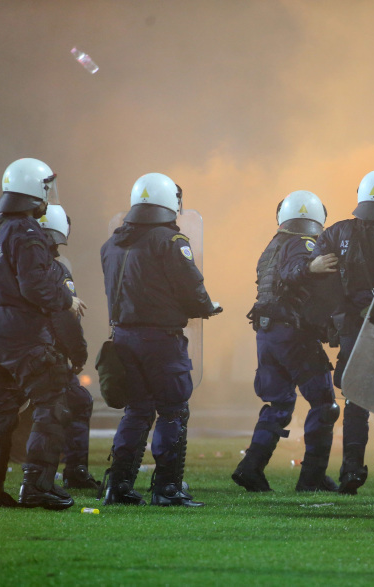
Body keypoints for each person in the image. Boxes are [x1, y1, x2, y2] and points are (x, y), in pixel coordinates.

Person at [0, 158, 86, 510]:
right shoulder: (28, 232)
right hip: (20, 331)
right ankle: (37, 487)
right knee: (54, 402)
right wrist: (67, 300)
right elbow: (36, 287)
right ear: (35, 190)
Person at [100, 173, 220, 507]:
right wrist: (207, 308)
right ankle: (167, 488)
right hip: (160, 340)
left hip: (123, 337)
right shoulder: (171, 242)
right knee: (172, 410)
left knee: (136, 411)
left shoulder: (112, 244)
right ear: (170, 204)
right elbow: (191, 287)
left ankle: (118, 486)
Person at [232, 190, 340, 493]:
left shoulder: (272, 245)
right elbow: (293, 272)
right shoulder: (302, 243)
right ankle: (312, 479)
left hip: (267, 334)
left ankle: (251, 467)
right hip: (292, 334)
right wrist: (310, 267)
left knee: (280, 402)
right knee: (324, 403)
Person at [310, 170, 374, 496]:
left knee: (355, 399)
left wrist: (335, 319)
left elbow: (319, 276)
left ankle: (351, 469)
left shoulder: (337, 232)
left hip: (352, 327)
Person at [37, 205, 100, 491]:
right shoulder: (54, 269)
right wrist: (78, 354)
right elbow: (66, 318)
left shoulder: (6, 260)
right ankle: (69, 473)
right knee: (76, 401)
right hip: (44, 353)